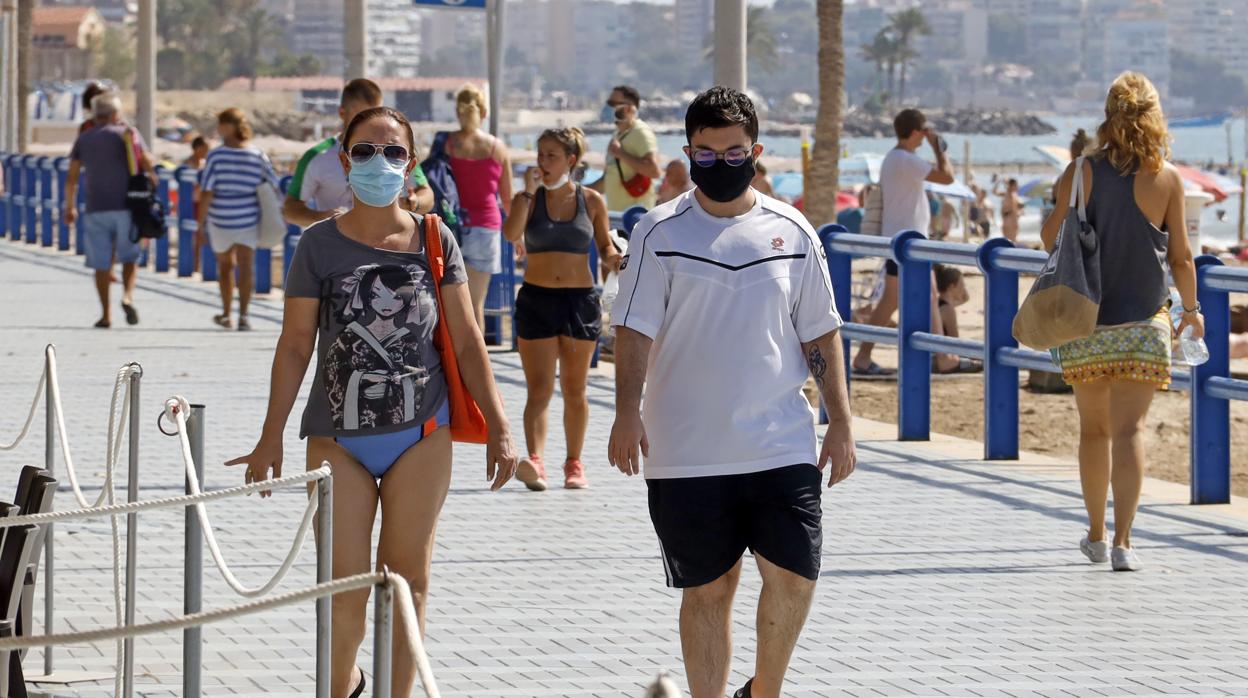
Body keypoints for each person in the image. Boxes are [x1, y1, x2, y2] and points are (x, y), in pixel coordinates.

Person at [228, 106, 517, 697]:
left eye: (392, 152)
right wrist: (270, 436)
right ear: (343, 158)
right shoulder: (317, 245)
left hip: (423, 433)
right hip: (337, 439)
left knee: (408, 583)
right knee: (343, 591)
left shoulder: (435, 239)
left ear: (410, 165)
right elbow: (293, 347)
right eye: (364, 151)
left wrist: (500, 427)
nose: (378, 162)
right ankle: (344, 685)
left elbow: (466, 340)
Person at [608, 87, 856, 698]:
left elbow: (820, 331)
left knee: (795, 578)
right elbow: (632, 331)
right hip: (686, 447)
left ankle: (762, 691)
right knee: (709, 589)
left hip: (780, 441)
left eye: (734, 152)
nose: (722, 164)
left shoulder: (793, 230)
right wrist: (624, 414)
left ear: (756, 151)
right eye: (708, 154)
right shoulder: (656, 232)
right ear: (689, 152)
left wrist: (843, 423)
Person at [1043, 72, 1203, 572]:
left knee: (1094, 432)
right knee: (1130, 431)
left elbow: (1050, 239)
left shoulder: (1080, 171)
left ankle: (1095, 533)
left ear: (1108, 114)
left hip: (1087, 319)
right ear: (1154, 115)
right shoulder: (1168, 178)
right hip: (1144, 320)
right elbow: (1181, 258)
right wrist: (1192, 314)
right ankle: (1125, 543)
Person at [502, 128, 621, 491]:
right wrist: (524, 196)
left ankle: (574, 462)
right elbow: (510, 234)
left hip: (579, 300)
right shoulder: (529, 199)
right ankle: (535, 461)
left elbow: (603, 247)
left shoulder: (592, 201)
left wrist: (616, 258)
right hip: (537, 298)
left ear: (571, 160)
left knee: (574, 388)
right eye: (540, 155)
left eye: (552, 155)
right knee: (538, 388)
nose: (543, 162)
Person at [851, 108, 955, 376]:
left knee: (925, 295)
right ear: (917, 132)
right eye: (924, 131)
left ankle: (942, 355)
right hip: (906, 241)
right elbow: (947, 177)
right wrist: (939, 149)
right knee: (893, 299)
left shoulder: (896, 158)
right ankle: (865, 356)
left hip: (904, 238)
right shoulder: (904, 159)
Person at [284, 78, 433, 228]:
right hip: (334, 246)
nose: (372, 123)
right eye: (362, 117)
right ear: (345, 161)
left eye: (377, 113)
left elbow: (426, 194)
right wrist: (322, 218)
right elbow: (290, 208)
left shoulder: (397, 153)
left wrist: (414, 204)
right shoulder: (316, 157)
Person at [63, 92, 155, 328]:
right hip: (127, 207)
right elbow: (148, 164)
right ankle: (127, 296)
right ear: (116, 114)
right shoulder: (127, 134)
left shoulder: (84, 138)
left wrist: (70, 206)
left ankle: (106, 315)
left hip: (96, 208)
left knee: (101, 264)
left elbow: (72, 177)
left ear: (94, 115)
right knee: (129, 257)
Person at [196, 108, 278, 331]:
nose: (219, 129)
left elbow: (207, 191)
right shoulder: (257, 155)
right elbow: (272, 184)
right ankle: (243, 315)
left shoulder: (216, 156)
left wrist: (200, 223)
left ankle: (226, 313)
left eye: (221, 124)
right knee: (246, 266)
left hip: (221, 218)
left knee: (225, 267)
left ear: (229, 127)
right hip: (248, 218)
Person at [446, 84, 512, 331]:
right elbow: (507, 198)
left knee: (449, 305)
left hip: (452, 228)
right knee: (475, 306)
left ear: (458, 112)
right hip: (487, 228)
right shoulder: (497, 148)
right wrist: (518, 236)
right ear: (483, 112)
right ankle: (477, 365)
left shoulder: (447, 144)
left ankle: (451, 365)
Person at [589, 85, 661, 210]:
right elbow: (607, 179)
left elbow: (654, 171)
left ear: (629, 108)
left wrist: (620, 153)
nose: (609, 107)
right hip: (617, 215)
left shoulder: (641, 132)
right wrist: (577, 192)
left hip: (635, 216)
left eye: (613, 103)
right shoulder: (617, 134)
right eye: (609, 103)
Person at [933, 264, 981, 373]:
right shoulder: (948, 310)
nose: (964, 289)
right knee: (982, 361)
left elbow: (965, 298)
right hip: (939, 361)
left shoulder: (939, 304)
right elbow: (955, 343)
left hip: (934, 357)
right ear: (951, 287)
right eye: (962, 285)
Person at [995, 177, 1023, 242]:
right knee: (1009, 240)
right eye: (1015, 185)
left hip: (1012, 219)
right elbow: (994, 192)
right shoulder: (1007, 193)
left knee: (1012, 240)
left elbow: (1019, 206)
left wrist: (1020, 211)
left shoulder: (1014, 195)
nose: (1017, 187)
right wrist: (999, 182)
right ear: (1011, 186)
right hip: (1008, 219)